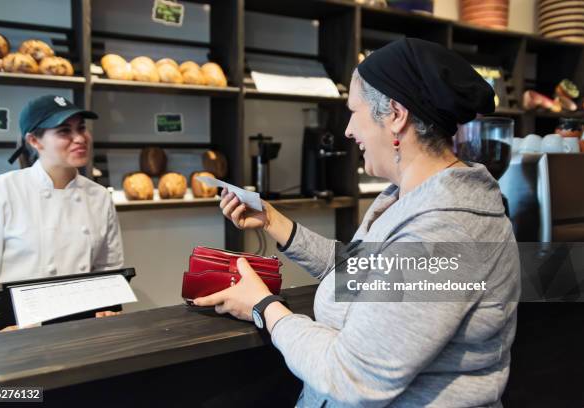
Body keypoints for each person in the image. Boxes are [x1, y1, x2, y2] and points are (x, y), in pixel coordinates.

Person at [194, 38, 520, 407]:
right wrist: (272, 220)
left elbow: (355, 376)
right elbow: (368, 276)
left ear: (396, 114)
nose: (348, 130)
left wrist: (263, 306)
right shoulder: (405, 198)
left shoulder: (444, 229)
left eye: (355, 111)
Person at [0, 95, 124, 332]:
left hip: (83, 328)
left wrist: (108, 306)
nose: (79, 138)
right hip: (16, 331)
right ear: (34, 140)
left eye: (81, 128)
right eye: (64, 131)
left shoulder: (99, 197)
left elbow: (108, 269)